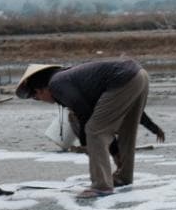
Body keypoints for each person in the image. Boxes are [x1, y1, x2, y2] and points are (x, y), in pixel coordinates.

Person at [16, 60, 149, 198]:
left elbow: (85, 113)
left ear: (39, 90)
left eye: (36, 97)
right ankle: (124, 177)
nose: (40, 100)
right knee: (127, 129)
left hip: (123, 79)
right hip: (139, 75)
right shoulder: (67, 78)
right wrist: (114, 151)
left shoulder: (56, 84)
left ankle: (101, 186)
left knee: (94, 131)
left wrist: (85, 143)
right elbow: (91, 113)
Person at [67, 110, 165, 178]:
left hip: (109, 115)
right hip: (99, 117)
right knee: (74, 116)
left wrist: (154, 129)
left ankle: (118, 167)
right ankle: (113, 165)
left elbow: (139, 113)